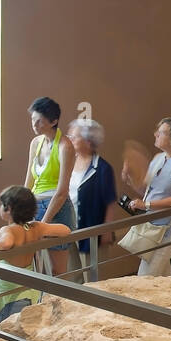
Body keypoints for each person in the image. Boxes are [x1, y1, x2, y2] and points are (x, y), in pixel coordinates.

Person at [0, 186, 73, 324]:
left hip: (10, 296)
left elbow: (6, 243)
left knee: (5, 333)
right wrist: (42, 234)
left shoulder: (8, 230)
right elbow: (65, 230)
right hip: (30, 291)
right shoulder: (35, 227)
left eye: (2, 204)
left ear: (9, 209)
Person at [128, 118, 171, 277]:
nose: (155, 134)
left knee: (146, 276)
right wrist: (131, 177)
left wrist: (146, 205)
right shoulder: (158, 158)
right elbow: (146, 190)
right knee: (161, 274)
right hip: (151, 224)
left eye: (161, 132)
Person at [24, 96, 77, 278]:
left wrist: (43, 224)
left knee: (58, 272)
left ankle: (58, 306)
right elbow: (29, 181)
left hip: (57, 209)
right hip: (36, 206)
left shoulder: (65, 146)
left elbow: (62, 192)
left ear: (53, 121)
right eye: (33, 120)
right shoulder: (35, 143)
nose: (35, 125)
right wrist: (22, 212)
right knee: (36, 269)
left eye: (40, 121)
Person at [66, 118, 118, 277]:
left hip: (92, 230)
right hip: (68, 228)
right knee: (73, 276)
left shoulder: (103, 168)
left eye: (74, 137)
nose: (71, 140)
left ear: (88, 141)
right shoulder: (68, 162)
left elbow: (110, 202)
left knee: (93, 278)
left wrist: (106, 231)